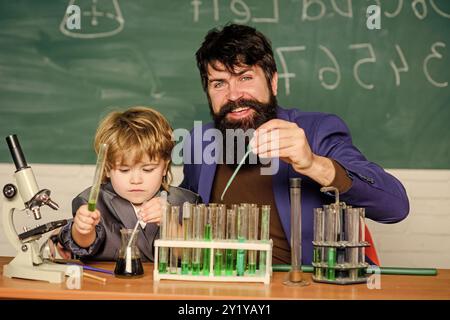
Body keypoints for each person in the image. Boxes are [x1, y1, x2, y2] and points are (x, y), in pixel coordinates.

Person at [180, 24, 409, 266]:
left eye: (245, 77)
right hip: (224, 285)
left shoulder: (317, 131)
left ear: (273, 82)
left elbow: (395, 207)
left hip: (307, 287)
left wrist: (313, 164)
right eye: (219, 84)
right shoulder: (200, 140)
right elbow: (184, 209)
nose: (234, 95)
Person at [57, 106, 200, 261]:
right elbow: (84, 244)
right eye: (124, 170)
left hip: (167, 285)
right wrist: (82, 230)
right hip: (110, 284)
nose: (136, 180)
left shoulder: (186, 203)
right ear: (106, 169)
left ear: (164, 167)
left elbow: (189, 256)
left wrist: (170, 221)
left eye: (148, 169)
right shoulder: (92, 201)